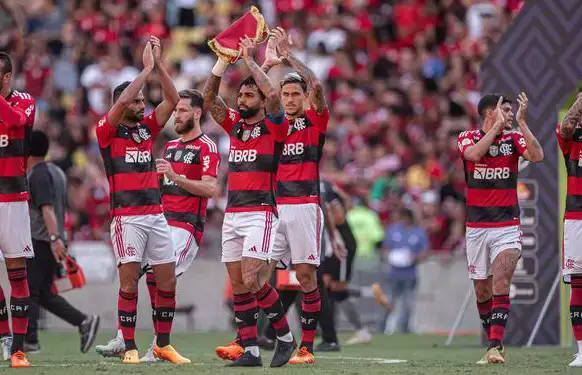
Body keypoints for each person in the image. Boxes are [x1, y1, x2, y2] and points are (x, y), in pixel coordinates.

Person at [94, 89, 219, 362]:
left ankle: (154, 344)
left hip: (186, 225)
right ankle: (131, 340)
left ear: (197, 114)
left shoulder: (206, 146)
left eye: (183, 110)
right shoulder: (170, 147)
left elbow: (210, 189)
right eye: (177, 110)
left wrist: (176, 177)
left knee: (157, 277)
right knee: (141, 277)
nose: (177, 114)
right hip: (157, 218)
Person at [203, 36, 295, 367]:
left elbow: (272, 94)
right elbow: (209, 98)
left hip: (261, 213)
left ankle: (285, 338)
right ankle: (251, 351)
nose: (241, 99)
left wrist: (253, 62)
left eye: (247, 95)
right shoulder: (236, 126)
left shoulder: (275, 126)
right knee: (240, 285)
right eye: (240, 94)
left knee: (255, 278)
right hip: (233, 213)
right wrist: (222, 63)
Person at [95, 36, 188, 364]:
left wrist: (159, 66)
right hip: (127, 217)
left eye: (140, 102)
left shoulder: (145, 131)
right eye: (134, 102)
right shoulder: (106, 131)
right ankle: (131, 347)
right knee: (130, 282)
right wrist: (144, 69)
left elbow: (173, 99)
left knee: (167, 282)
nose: (140, 105)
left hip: (155, 214)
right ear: (120, 104)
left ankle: (162, 344)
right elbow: (120, 105)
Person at [457, 92, 543, 364]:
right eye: (505, 110)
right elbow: (473, 156)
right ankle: (495, 343)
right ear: (489, 113)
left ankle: (494, 345)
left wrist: (522, 123)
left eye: (511, 110)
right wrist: (494, 129)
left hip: (507, 225)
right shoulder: (466, 137)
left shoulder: (514, 138)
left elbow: (537, 156)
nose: (509, 114)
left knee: (501, 281)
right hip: (476, 226)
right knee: (482, 291)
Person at [25, 130, 100, 354]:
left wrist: (53, 238)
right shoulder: (57, 171)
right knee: (44, 293)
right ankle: (83, 322)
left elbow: (46, 208)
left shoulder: (37, 175)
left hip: (43, 239)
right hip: (54, 238)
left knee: (29, 291)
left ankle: (30, 339)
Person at [0, 51, 36, 368]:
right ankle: (3, 336)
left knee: (17, 275)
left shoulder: (24, 100)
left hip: (13, 199)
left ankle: (19, 350)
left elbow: (16, 121)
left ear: (7, 77)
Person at [556, 88, 582, 367]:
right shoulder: (572, 137)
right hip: (577, 217)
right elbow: (566, 125)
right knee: (578, 282)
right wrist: (579, 101)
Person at [379, 208, 428, 334]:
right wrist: (389, 255)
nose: (404, 221)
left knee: (408, 303)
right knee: (388, 300)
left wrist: (414, 257)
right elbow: (385, 248)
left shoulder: (419, 233)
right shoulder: (393, 230)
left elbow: (425, 252)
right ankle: (381, 327)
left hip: (410, 273)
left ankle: (404, 329)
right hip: (393, 272)